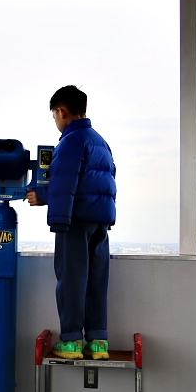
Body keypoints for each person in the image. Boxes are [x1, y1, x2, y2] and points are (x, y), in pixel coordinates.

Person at [26, 85, 116, 360]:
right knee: (97, 282)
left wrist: (42, 196)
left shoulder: (70, 141)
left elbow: (65, 183)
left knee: (72, 281)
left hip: (75, 221)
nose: (56, 121)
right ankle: (98, 342)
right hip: (100, 223)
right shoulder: (101, 142)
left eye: (54, 115)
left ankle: (72, 341)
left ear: (62, 112)